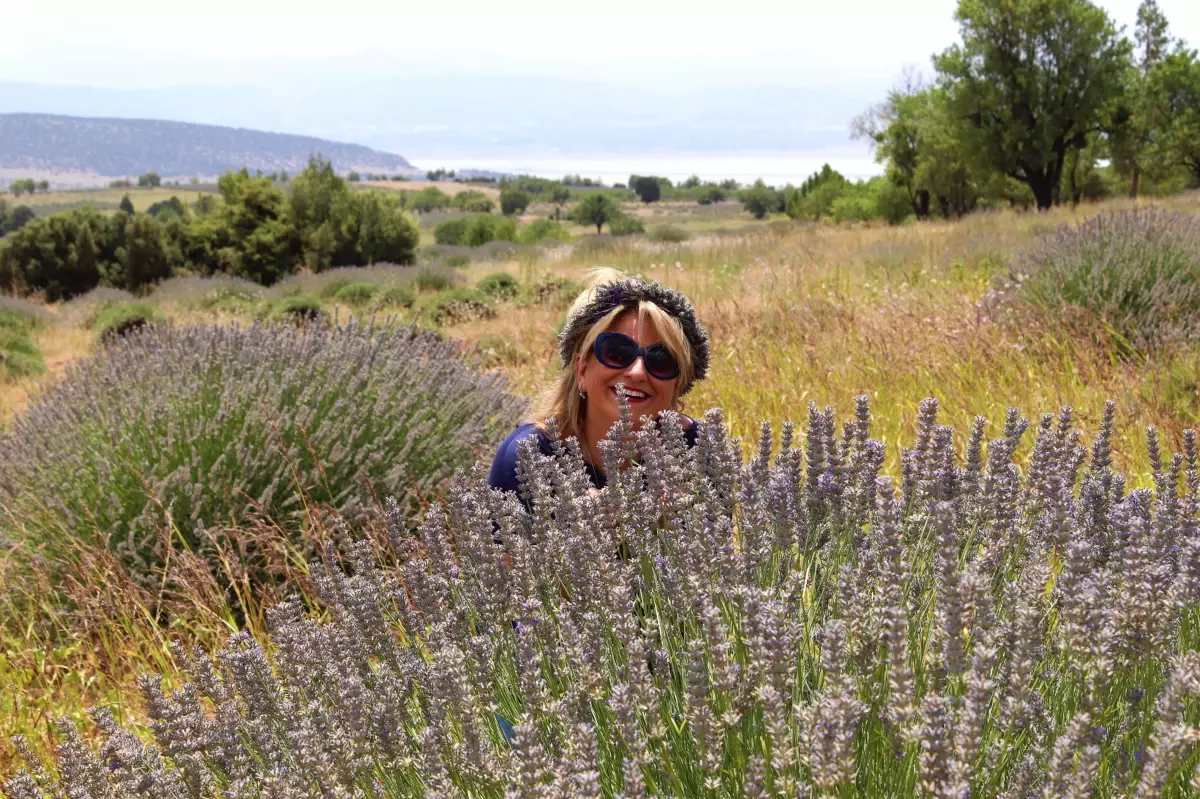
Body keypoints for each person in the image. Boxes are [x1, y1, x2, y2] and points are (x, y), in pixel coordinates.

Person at [487, 268, 710, 500]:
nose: (638, 372)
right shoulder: (527, 456)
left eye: (661, 359)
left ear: (677, 383)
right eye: (617, 351)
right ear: (582, 369)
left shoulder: (700, 449)